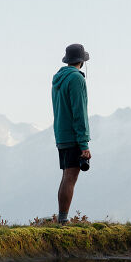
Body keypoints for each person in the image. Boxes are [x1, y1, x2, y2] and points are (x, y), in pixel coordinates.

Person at [52, 43, 91, 224]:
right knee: (71, 177)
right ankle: (63, 220)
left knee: (66, 175)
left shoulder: (58, 79)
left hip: (61, 134)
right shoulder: (76, 79)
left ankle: (62, 218)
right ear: (82, 61)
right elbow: (79, 112)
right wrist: (84, 144)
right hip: (73, 135)